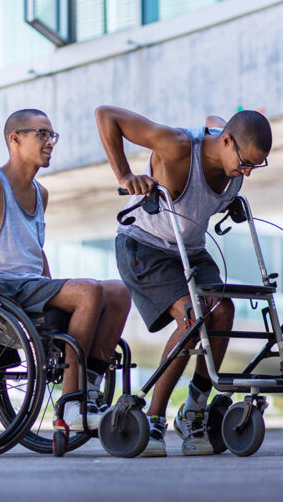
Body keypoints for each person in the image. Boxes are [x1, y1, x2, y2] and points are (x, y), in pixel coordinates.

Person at [0, 109, 131, 435]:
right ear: (15, 139)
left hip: (31, 286)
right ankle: (71, 405)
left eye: (52, 135)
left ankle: (88, 388)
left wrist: (55, 286)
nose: (51, 142)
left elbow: (33, 249)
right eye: (42, 134)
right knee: (89, 290)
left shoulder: (40, 193)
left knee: (118, 291)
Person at [95, 105, 272, 456]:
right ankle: (154, 420)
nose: (247, 174)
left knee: (222, 312)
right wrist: (125, 174)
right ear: (226, 142)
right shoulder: (176, 146)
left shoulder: (228, 145)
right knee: (193, 318)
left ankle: (194, 409)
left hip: (188, 248)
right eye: (245, 163)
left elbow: (213, 120)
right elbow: (106, 116)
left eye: (255, 165)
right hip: (143, 245)